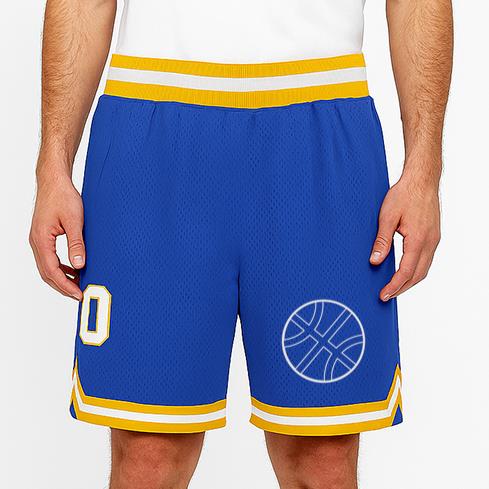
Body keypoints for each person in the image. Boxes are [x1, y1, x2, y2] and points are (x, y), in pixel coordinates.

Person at [29, 0, 453, 487]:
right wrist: (52, 166)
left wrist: (424, 172)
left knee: (323, 461)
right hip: (153, 131)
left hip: (320, 125)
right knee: (148, 458)